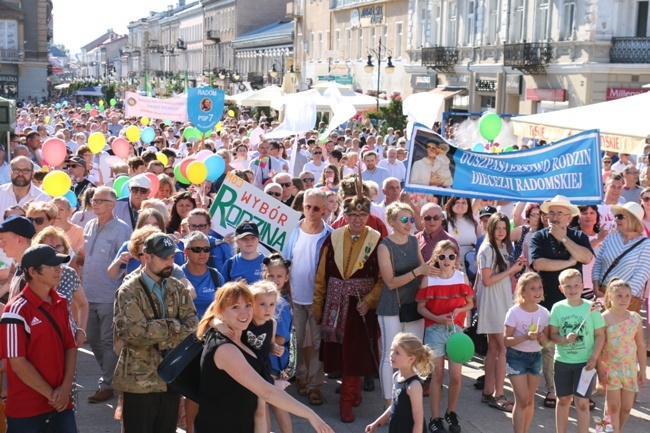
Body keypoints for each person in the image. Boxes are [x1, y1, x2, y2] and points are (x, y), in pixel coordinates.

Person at [193, 282, 334, 433]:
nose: (244, 312)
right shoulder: (225, 349)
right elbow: (267, 392)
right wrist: (311, 415)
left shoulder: (240, 339)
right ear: (220, 311)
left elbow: (258, 404)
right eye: (235, 307)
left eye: (248, 305)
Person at [112, 232, 199, 433]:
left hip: (170, 378)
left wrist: (155, 327)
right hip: (139, 381)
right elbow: (135, 334)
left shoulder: (177, 287)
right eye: (164, 257)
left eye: (171, 257)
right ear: (146, 257)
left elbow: (193, 327)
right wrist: (174, 325)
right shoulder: (128, 291)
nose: (170, 262)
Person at [313, 193, 383, 423]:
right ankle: (352, 391)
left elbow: (382, 278)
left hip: (361, 307)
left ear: (368, 216)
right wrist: (318, 306)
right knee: (339, 355)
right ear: (345, 216)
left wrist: (369, 300)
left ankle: (346, 400)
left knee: (356, 354)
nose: (357, 220)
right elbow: (321, 275)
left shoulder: (376, 240)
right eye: (352, 215)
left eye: (362, 215)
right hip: (335, 304)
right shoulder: (333, 239)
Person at [0, 245, 78, 433]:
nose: (59, 269)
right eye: (52, 265)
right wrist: (53, 395)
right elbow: (17, 362)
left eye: (59, 264)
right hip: (27, 411)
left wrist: (65, 389)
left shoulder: (60, 302)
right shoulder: (15, 310)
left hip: (61, 405)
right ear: (33, 272)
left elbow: (71, 347)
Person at [529, 195, 594, 409]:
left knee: (580, 344)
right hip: (548, 300)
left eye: (560, 213)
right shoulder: (539, 236)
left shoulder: (578, 235)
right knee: (549, 347)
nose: (555, 218)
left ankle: (580, 390)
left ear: (569, 217)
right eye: (552, 213)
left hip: (576, 303)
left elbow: (585, 257)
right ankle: (553, 389)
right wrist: (567, 262)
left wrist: (565, 240)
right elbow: (538, 263)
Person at [376, 202, 436, 408]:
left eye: (411, 219)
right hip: (391, 305)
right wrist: (417, 273)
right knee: (389, 355)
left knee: (414, 353)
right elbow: (390, 282)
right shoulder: (384, 245)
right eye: (403, 219)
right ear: (392, 221)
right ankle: (387, 402)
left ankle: (411, 399)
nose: (409, 223)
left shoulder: (413, 241)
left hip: (412, 305)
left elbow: (424, 270)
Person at [78, 186, 132, 403]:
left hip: (109, 294)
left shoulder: (122, 229)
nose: (95, 203)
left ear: (112, 205)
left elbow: (125, 262)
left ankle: (107, 383)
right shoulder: (89, 225)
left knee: (108, 340)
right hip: (88, 293)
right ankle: (111, 377)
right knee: (93, 339)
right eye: (93, 199)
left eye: (100, 200)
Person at [416, 240, 473, 433]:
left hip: (455, 330)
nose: (447, 260)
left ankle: (451, 412)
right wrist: (438, 319)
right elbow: (421, 307)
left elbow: (470, 303)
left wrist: (458, 310)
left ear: (456, 258)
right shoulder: (429, 279)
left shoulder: (461, 277)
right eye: (442, 256)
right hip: (434, 330)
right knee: (437, 376)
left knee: (456, 376)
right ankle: (435, 417)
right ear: (436, 259)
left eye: (451, 256)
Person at [282, 189, 332, 406]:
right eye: (307, 206)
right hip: (295, 297)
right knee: (298, 340)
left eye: (316, 208)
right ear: (302, 207)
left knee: (320, 344)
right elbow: (284, 262)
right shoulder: (292, 231)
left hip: (320, 300)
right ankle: (300, 377)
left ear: (324, 210)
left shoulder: (330, 235)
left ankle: (315, 386)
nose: (311, 211)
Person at [475, 212, 524, 412]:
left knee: (494, 349)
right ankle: (499, 394)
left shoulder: (503, 248)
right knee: (503, 349)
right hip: (493, 303)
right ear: (491, 228)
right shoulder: (487, 248)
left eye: (504, 228)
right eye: (498, 228)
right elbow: (487, 280)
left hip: (502, 301)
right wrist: (511, 271)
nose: (502, 232)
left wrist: (515, 266)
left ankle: (488, 392)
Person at [549, 269, 606, 433]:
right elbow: (552, 335)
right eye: (568, 286)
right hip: (562, 362)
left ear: (582, 286)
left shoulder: (591, 308)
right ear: (561, 288)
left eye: (576, 285)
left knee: (582, 402)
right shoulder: (557, 308)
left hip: (585, 363)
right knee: (563, 400)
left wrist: (594, 358)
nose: (572, 290)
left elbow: (600, 335)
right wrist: (564, 339)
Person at [598, 279, 647, 433]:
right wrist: (600, 370)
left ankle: (610, 430)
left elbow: (640, 345)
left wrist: (643, 370)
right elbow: (598, 347)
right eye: (619, 295)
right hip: (610, 367)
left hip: (630, 368)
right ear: (610, 296)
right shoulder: (603, 318)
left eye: (627, 296)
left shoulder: (635, 318)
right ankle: (610, 431)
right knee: (612, 407)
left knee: (626, 408)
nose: (624, 299)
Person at [504, 272, 550, 433]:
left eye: (540, 288)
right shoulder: (515, 312)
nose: (538, 291)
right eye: (532, 288)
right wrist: (525, 336)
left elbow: (546, 342)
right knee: (522, 399)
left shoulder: (544, 312)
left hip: (535, 357)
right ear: (522, 292)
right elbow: (506, 340)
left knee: (530, 401)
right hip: (516, 357)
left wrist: (542, 338)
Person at [365, 333, 433, 433]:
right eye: (392, 350)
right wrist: (377, 423)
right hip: (396, 427)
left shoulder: (413, 386)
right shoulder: (396, 376)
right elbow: (394, 406)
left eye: (397, 353)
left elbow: (418, 421)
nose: (391, 355)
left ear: (411, 359)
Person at [33, 226, 89, 347]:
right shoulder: (33, 273)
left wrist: (81, 330)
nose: (55, 250)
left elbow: (83, 304)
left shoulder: (69, 273)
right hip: (38, 338)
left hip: (67, 338)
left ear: (65, 249)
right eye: (49, 247)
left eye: (59, 246)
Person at [592, 202, 650, 312]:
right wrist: (595, 287)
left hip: (627, 301)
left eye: (620, 216)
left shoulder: (646, 244)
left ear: (633, 220)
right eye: (615, 216)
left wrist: (619, 297)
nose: (616, 220)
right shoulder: (610, 238)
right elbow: (598, 264)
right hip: (603, 295)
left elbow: (641, 275)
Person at [262, 254, 294, 433]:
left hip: (272, 363)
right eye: (270, 276)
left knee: (266, 404)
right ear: (264, 275)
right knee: (277, 404)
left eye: (279, 276)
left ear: (286, 278)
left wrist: (259, 344)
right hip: (271, 362)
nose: (274, 280)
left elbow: (280, 339)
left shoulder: (279, 304)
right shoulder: (266, 300)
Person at [569, 205, 607, 300]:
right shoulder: (572, 235)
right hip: (580, 285)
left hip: (600, 286)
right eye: (584, 213)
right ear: (578, 217)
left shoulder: (604, 236)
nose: (588, 216)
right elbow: (580, 253)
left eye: (592, 213)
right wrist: (598, 239)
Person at [0, 156, 50, 222]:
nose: (20, 174)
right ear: (10, 172)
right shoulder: (1, 192)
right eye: (16, 170)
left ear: (32, 174)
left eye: (25, 171)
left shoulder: (44, 199)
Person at [0, 216, 36, 303]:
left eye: (3, 241)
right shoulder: (19, 267)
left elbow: (28, 315)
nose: (1, 246)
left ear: (19, 240)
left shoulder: (34, 272)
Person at [444, 197, 479, 274]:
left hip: (471, 264)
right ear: (451, 204)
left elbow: (480, 241)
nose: (460, 205)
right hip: (451, 264)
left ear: (468, 206)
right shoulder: (444, 218)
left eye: (463, 203)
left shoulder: (473, 221)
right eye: (457, 202)